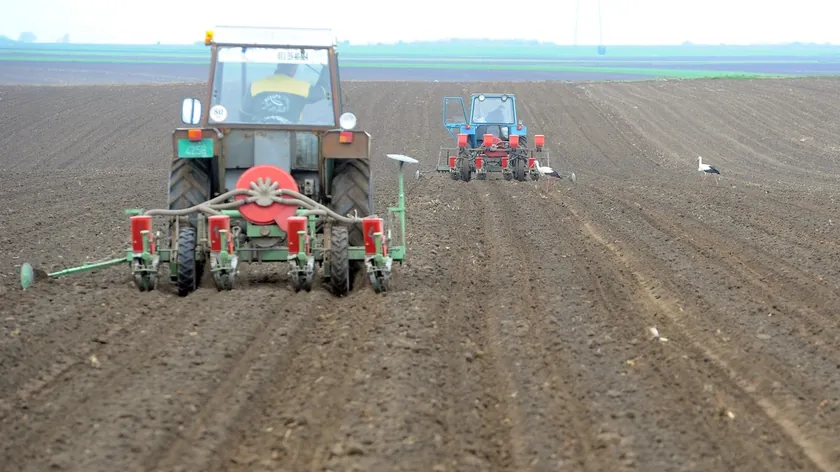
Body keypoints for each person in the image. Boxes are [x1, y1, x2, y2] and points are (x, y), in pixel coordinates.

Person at [244, 63, 329, 123]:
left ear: (278, 66)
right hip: (291, 136)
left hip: (259, 135)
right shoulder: (303, 88)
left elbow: (244, 114)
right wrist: (326, 67)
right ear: (293, 70)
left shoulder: (255, 85)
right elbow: (323, 90)